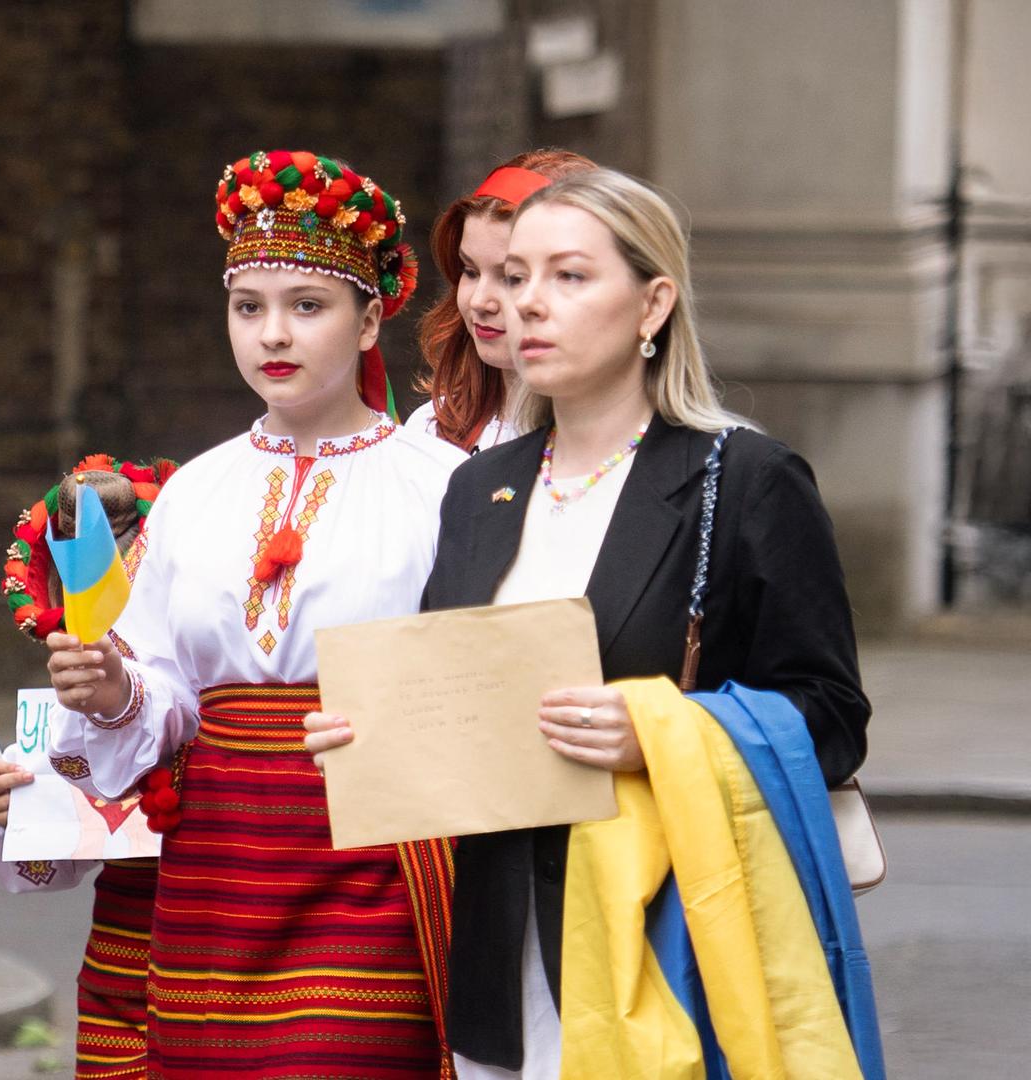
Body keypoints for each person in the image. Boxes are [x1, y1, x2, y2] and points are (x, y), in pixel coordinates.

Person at [305, 168, 871, 1077]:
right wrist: (372, 738)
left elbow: (834, 719)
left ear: (652, 304)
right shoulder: (479, 490)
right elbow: (456, 703)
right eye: (516, 275)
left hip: (666, 939)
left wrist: (659, 729)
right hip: (498, 954)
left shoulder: (748, 480)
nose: (527, 303)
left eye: (568, 277)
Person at [43, 150, 463, 1078]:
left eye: (307, 305)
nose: (273, 332)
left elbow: (478, 689)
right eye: (249, 306)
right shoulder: (197, 490)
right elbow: (167, 691)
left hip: (373, 856)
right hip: (217, 870)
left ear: (369, 319)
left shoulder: (443, 488)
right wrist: (115, 688)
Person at [0, 455, 175, 1079]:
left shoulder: (212, 675)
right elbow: (47, 867)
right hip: (122, 959)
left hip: (224, 933)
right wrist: (9, 812)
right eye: (77, 587)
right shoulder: (64, 709)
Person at [407, 149, 596, 453]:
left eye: (511, 277)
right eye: (469, 271)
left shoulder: (621, 443)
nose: (480, 301)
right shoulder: (430, 429)